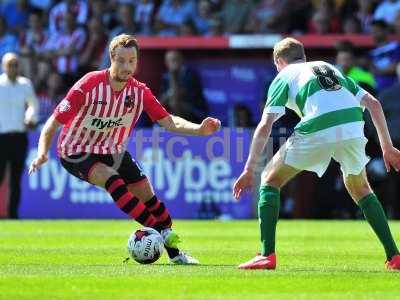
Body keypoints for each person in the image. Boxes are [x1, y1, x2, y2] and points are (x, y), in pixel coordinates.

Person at [29, 34, 221, 264]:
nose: (126, 67)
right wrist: (42, 152)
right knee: (113, 180)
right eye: (121, 61)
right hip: (75, 150)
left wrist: (199, 130)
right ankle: (161, 234)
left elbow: (168, 121)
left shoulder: (140, 92)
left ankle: (176, 255)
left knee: (149, 198)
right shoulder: (88, 85)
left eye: (132, 61)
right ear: (111, 58)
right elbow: (53, 123)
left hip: (113, 150)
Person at [233, 37, 400, 270]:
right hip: (353, 124)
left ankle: (266, 254)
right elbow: (373, 103)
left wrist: (249, 169)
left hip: (319, 126)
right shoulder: (330, 68)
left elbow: (265, 124)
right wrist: (387, 147)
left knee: (269, 178)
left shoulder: (284, 75)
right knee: (361, 188)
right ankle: (394, 256)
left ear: (279, 62)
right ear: (303, 56)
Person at [0, 52, 39, 219]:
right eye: (10, 64)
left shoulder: (25, 84)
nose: (13, 68)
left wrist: (31, 117)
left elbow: (33, 105)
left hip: (19, 136)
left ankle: (13, 215)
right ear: (3, 66)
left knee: (16, 179)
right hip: (1, 137)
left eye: (16, 64)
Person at [159, 50, 208, 123]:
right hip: (172, 109)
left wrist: (173, 75)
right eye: (169, 61)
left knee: (175, 102)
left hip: (193, 109)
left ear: (181, 60)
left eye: (174, 60)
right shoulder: (165, 77)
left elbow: (181, 94)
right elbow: (162, 98)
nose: (172, 63)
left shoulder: (190, 75)